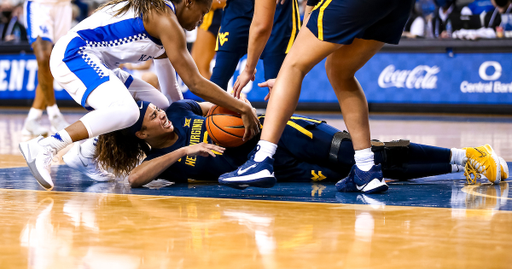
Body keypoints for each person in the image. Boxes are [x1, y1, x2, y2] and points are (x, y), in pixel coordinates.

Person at [19, 0, 260, 191]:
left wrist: (189, 126)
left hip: (100, 64)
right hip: (73, 54)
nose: (201, 20)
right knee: (126, 110)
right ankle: (47, 147)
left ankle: (86, 153)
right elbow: (194, 83)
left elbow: (173, 96)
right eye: (203, 12)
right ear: (188, 1)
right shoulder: (166, 20)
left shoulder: (168, 23)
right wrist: (242, 107)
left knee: (159, 102)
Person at [226, 0, 419, 193]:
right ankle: (366, 169)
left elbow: (261, 24)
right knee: (339, 71)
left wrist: (249, 68)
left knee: (295, 66)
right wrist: (286, 76)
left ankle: (261, 160)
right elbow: (311, 25)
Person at [84, 98, 507, 189]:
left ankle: (466, 158)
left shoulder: (179, 109)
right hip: (285, 170)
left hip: (279, 132)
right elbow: (133, 181)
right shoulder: (164, 161)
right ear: (140, 134)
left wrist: (236, 109)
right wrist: (183, 151)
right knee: (363, 174)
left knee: (365, 154)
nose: (155, 112)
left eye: (151, 108)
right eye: (147, 117)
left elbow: (223, 106)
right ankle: (465, 163)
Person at [22, 0, 94, 136]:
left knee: (54, 62)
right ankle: (54, 115)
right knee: (43, 57)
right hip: (40, 4)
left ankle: (33, 118)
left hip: (63, 6)